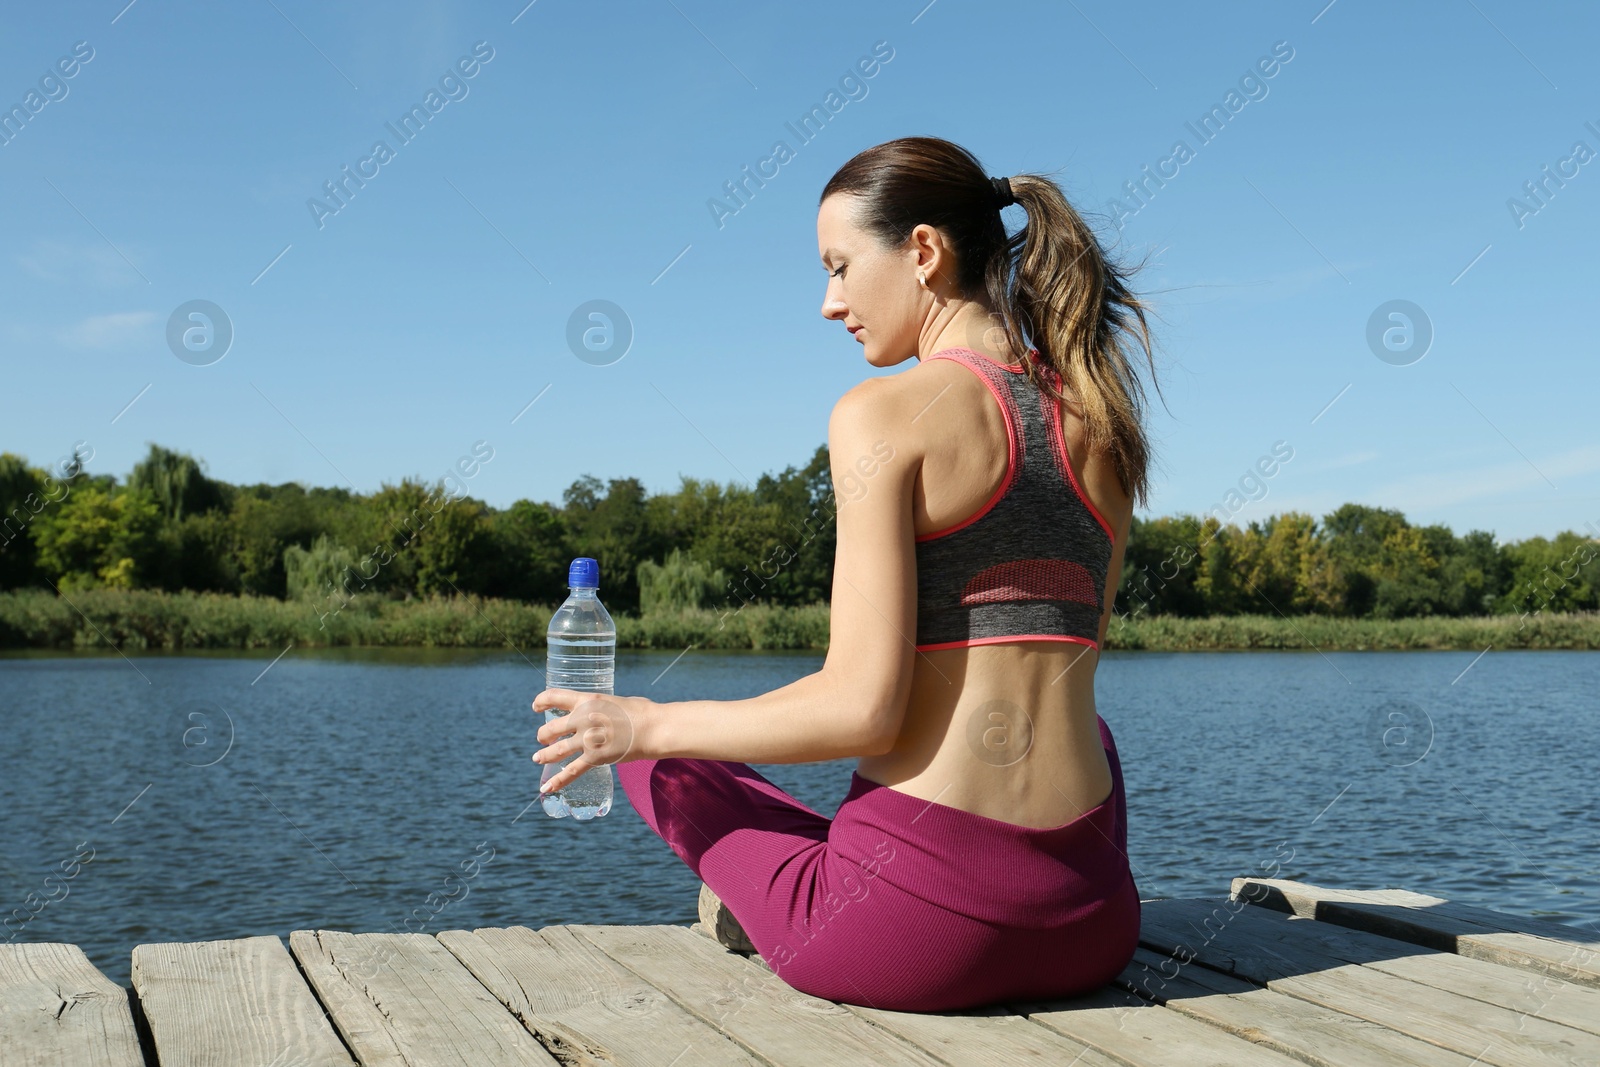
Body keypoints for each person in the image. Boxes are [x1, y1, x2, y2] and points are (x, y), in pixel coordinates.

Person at [531, 135, 1162, 1013]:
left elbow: (862, 705)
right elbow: (1076, 658)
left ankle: (775, 823)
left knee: (653, 759)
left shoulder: (883, 416)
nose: (830, 303)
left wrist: (641, 722)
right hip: (1093, 922)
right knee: (1083, 726)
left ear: (925, 252)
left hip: (919, 940)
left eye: (839, 266)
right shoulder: (1102, 417)